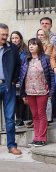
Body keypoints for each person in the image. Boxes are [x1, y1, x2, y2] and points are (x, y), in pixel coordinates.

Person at [20, 38, 55, 147]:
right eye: (30, 44)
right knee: (34, 115)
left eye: (34, 45)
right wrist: (23, 93)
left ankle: (42, 138)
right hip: (29, 91)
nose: (31, 46)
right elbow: (22, 76)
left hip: (42, 91)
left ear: (39, 46)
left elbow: (52, 76)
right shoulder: (26, 59)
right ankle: (36, 137)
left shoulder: (45, 59)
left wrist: (52, 91)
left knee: (41, 114)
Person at [0, 23, 22, 155]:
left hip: (8, 86)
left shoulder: (12, 48)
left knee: (9, 118)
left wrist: (13, 81)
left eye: (6, 34)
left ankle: (11, 145)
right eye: (2, 34)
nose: (5, 37)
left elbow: (19, 66)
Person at [9, 31, 28, 127]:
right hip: (12, 78)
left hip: (21, 77)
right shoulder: (8, 49)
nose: (14, 40)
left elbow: (23, 64)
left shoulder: (24, 50)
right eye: (12, 38)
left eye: (16, 38)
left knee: (21, 98)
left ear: (20, 39)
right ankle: (17, 118)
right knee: (15, 98)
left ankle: (21, 118)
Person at [37, 28, 55, 124]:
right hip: (37, 73)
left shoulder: (49, 45)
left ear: (46, 36)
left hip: (47, 71)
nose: (40, 37)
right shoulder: (36, 45)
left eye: (42, 35)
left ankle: (48, 118)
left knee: (47, 96)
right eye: (38, 35)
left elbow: (46, 56)